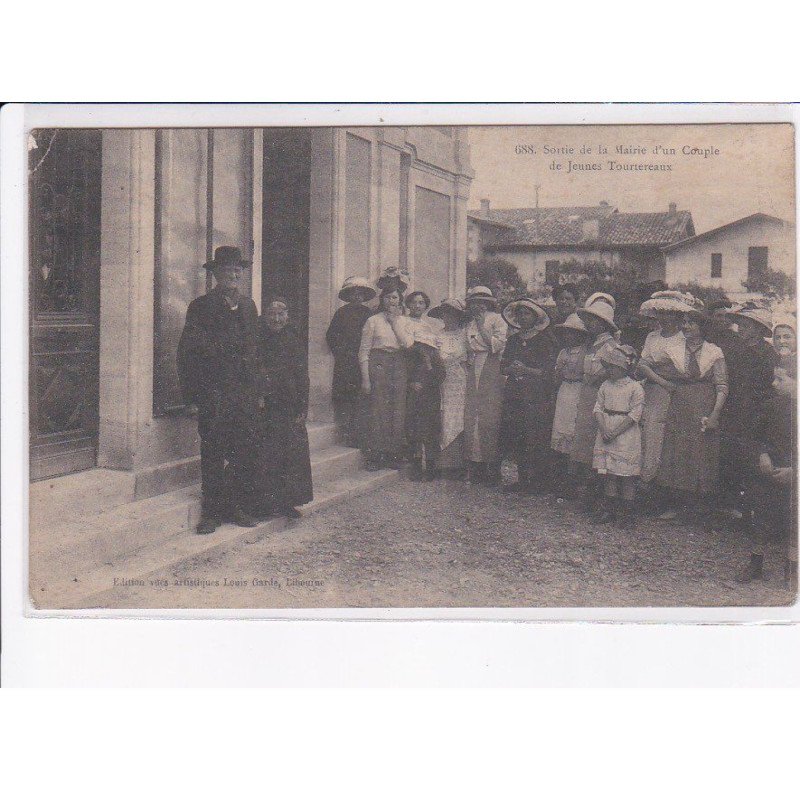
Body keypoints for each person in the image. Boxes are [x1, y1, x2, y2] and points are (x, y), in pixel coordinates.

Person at [177, 246, 261, 535]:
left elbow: (255, 350)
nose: (234, 274)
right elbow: (187, 353)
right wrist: (191, 398)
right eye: (227, 270)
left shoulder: (249, 306)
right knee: (213, 450)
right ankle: (211, 512)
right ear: (215, 274)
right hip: (213, 392)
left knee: (242, 450)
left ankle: (236, 506)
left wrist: (257, 390)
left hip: (243, 393)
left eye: (238, 270)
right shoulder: (200, 307)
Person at [655, 300, 729, 524]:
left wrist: (715, 414)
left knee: (701, 455)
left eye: (690, 323)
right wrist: (665, 383)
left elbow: (722, 386)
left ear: (702, 328)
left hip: (704, 407)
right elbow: (646, 366)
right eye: (684, 322)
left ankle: (699, 510)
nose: (685, 327)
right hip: (680, 406)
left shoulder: (714, 352)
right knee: (677, 452)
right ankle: (676, 507)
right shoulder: (674, 351)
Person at [737, 363, 797, 590]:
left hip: (794, 475)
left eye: (781, 380)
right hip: (768, 472)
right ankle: (755, 563)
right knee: (761, 516)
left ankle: (792, 568)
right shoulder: (769, 407)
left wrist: (795, 472)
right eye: (774, 378)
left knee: (794, 522)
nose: (774, 384)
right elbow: (752, 436)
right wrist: (762, 454)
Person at [252, 297, 313, 520]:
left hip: (289, 403)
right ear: (264, 316)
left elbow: (302, 374)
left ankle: (287, 502)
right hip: (266, 404)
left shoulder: (293, 338)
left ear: (287, 316)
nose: (276, 319)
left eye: (281, 314)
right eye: (271, 314)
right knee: (266, 453)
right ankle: (263, 505)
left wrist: (302, 407)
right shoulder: (258, 338)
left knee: (290, 454)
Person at [499, 298, 559, 494]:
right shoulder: (513, 340)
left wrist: (527, 370)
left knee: (535, 435)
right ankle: (522, 478)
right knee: (517, 434)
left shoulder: (544, 339)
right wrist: (512, 368)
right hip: (515, 393)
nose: (523, 318)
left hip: (535, 394)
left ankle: (537, 482)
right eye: (520, 314)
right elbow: (503, 366)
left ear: (535, 317)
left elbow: (548, 370)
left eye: (527, 314)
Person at [570, 293, 619, 506]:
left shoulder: (610, 346)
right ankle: (588, 494)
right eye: (587, 320)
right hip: (587, 398)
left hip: (601, 398)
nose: (588, 324)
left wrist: (600, 376)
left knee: (598, 445)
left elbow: (613, 372)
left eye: (593, 320)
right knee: (584, 445)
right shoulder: (592, 345)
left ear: (602, 324)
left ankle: (601, 497)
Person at [636, 291, 690, 488]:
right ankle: (643, 482)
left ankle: (661, 485)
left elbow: (681, 370)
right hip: (653, 390)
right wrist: (661, 378)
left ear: (677, 315)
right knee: (646, 433)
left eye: (669, 313)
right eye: (660, 313)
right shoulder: (652, 336)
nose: (664, 318)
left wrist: (655, 369)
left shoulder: (683, 338)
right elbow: (641, 365)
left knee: (663, 435)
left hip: (672, 393)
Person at [358, 286, 414, 469]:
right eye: (389, 297)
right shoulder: (372, 321)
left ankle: (393, 454)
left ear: (400, 301)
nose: (392, 301)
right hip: (378, 364)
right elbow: (364, 351)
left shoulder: (405, 322)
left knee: (397, 409)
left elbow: (408, 345)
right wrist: (366, 379)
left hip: (398, 365)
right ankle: (375, 456)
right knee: (378, 409)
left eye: (395, 298)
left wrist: (394, 323)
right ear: (382, 300)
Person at [592, 344, 645, 527]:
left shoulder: (635, 388)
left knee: (626, 475)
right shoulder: (605, 385)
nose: (610, 370)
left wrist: (615, 432)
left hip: (625, 434)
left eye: (614, 367)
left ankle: (627, 514)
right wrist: (604, 428)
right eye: (608, 367)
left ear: (624, 367)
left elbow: (634, 415)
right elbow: (598, 407)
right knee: (608, 472)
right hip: (606, 429)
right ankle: (609, 510)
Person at [463, 286, 508, 485]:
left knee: (489, 415)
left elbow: (496, 345)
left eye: (482, 301)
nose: (478, 305)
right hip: (473, 367)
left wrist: (482, 326)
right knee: (473, 415)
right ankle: (476, 465)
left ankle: (492, 467)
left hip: (491, 365)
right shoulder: (469, 323)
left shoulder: (496, 319)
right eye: (474, 301)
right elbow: (467, 346)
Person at [326, 276, 375, 448]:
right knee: (344, 395)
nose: (357, 297)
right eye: (354, 294)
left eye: (360, 294)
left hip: (361, 361)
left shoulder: (369, 315)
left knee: (359, 397)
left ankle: (357, 434)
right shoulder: (341, 313)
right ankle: (345, 431)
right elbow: (331, 335)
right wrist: (340, 352)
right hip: (345, 361)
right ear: (349, 296)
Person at [550, 312, 592, 488]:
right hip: (564, 391)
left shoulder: (586, 352)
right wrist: (559, 373)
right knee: (561, 430)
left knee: (574, 431)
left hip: (578, 391)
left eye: (573, 332)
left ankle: (574, 479)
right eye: (567, 332)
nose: (569, 336)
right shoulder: (562, 352)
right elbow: (556, 377)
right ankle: (561, 479)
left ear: (581, 335)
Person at [428, 298, 470, 476]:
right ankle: (443, 464)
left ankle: (459, 464)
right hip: (442, 379)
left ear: (458, 316)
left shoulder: (464, 335)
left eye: (453, 314)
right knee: (444, 415)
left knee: (459, 415)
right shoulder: (437, 336)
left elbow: (470, 358)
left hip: (460, 379)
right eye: (446, 314)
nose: (449, 318)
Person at [406, 326, 445, 480]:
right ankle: (416, 466)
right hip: (414, 399)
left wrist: (429, 365)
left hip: (430, 399)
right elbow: (406, 375)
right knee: (414, 431)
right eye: (419, 345)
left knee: (430, 432)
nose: (422, 349)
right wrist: (411, 383)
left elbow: (439, 378)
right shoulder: (411, 359)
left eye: (425, 346)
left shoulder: (435, 360)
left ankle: (430, 467)